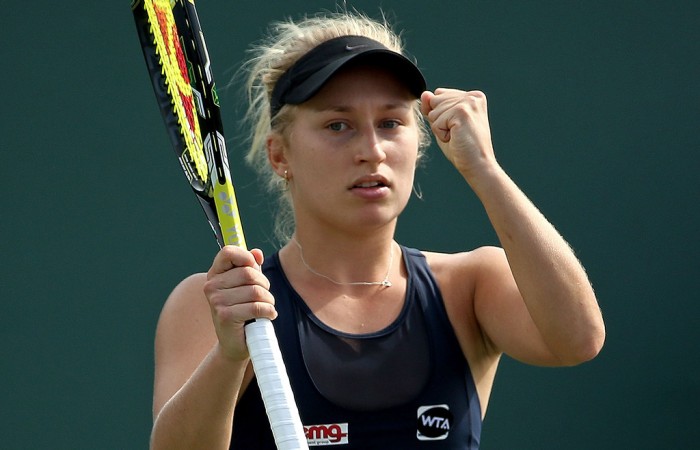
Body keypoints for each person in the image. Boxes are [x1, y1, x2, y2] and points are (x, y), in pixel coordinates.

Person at [148, 10, 605, 450]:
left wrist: (485, 170)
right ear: (279, 155)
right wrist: (230, 355)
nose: (372, 150)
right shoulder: (218, 303)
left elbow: (578, 340)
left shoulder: (471, 286)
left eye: (390, 123)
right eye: (338, 125)